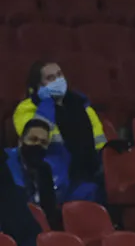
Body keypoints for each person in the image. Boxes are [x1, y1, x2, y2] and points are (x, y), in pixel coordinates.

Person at [13, 60, 105, 199]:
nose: (58, 80)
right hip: (55, 177)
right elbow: (35, 144)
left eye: (59, 75)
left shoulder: (81, 105)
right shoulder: (26, 109)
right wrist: (46, 103)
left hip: (90, 172)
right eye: (50, 78)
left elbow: (100, 142)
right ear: (38, 85)